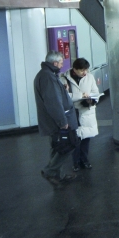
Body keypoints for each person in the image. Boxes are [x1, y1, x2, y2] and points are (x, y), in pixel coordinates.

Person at [34, 51, 79, 187]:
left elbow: (54, 96)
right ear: (54, 63)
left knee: (58, 147)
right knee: (70, 144)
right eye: (60, 63)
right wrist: (62, 122)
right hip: (58, 121)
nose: (61, 65)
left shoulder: (46, 75)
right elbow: (53, 102)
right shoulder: (48, 77)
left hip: (54, 120)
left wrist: (62, 89)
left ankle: (58, 176)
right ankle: (50, 171)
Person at [63, 58, 100, 171]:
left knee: (86, 137)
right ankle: (75, 162)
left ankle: (85, 160)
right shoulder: (64, 79)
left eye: (86, 70)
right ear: (74, 69)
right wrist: (80, 95)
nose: (85, 72)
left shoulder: (89, 77)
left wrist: (91, 100)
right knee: (75, 138)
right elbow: (64, 97)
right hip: (73, 112)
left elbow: (95, 92)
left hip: (86, 110)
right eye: (82, 70)